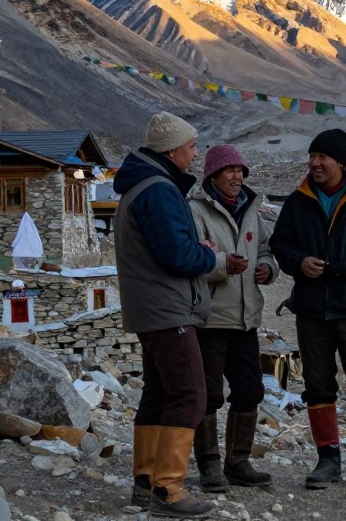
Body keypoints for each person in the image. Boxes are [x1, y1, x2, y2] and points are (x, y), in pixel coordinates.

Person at [269, 128, 346, 492]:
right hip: (310, 310)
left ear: (341, 162)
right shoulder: (298, 200)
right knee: (318, 386)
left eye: (322, 157)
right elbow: (280, 243)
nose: (315, 163)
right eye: (312, 157)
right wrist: (299, 262)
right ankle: (328, 458)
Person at [114, 111, 217, 519]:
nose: (195, 153)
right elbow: (176, 255)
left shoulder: (141, 185)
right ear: (173, 151)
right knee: (190, 393)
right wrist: (207, 253)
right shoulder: (159, 190)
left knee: (158, 394)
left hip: (147, 307)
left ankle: (145, 481)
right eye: (192, 147)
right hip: (166, 308)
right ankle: (168, 489)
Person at [189, 144, 279, 492]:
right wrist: (223, 265)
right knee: (209, 394)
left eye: (241, 171)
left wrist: (266, 269)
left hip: (245, 318)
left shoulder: (252, 212)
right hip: (210, 318)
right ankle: (210, 465)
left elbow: (267, 250)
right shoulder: (196, 211)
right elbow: (191, 257)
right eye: (230, 171)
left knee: (251, 389)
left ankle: (238, 462)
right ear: (213, 176)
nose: (238, 177)